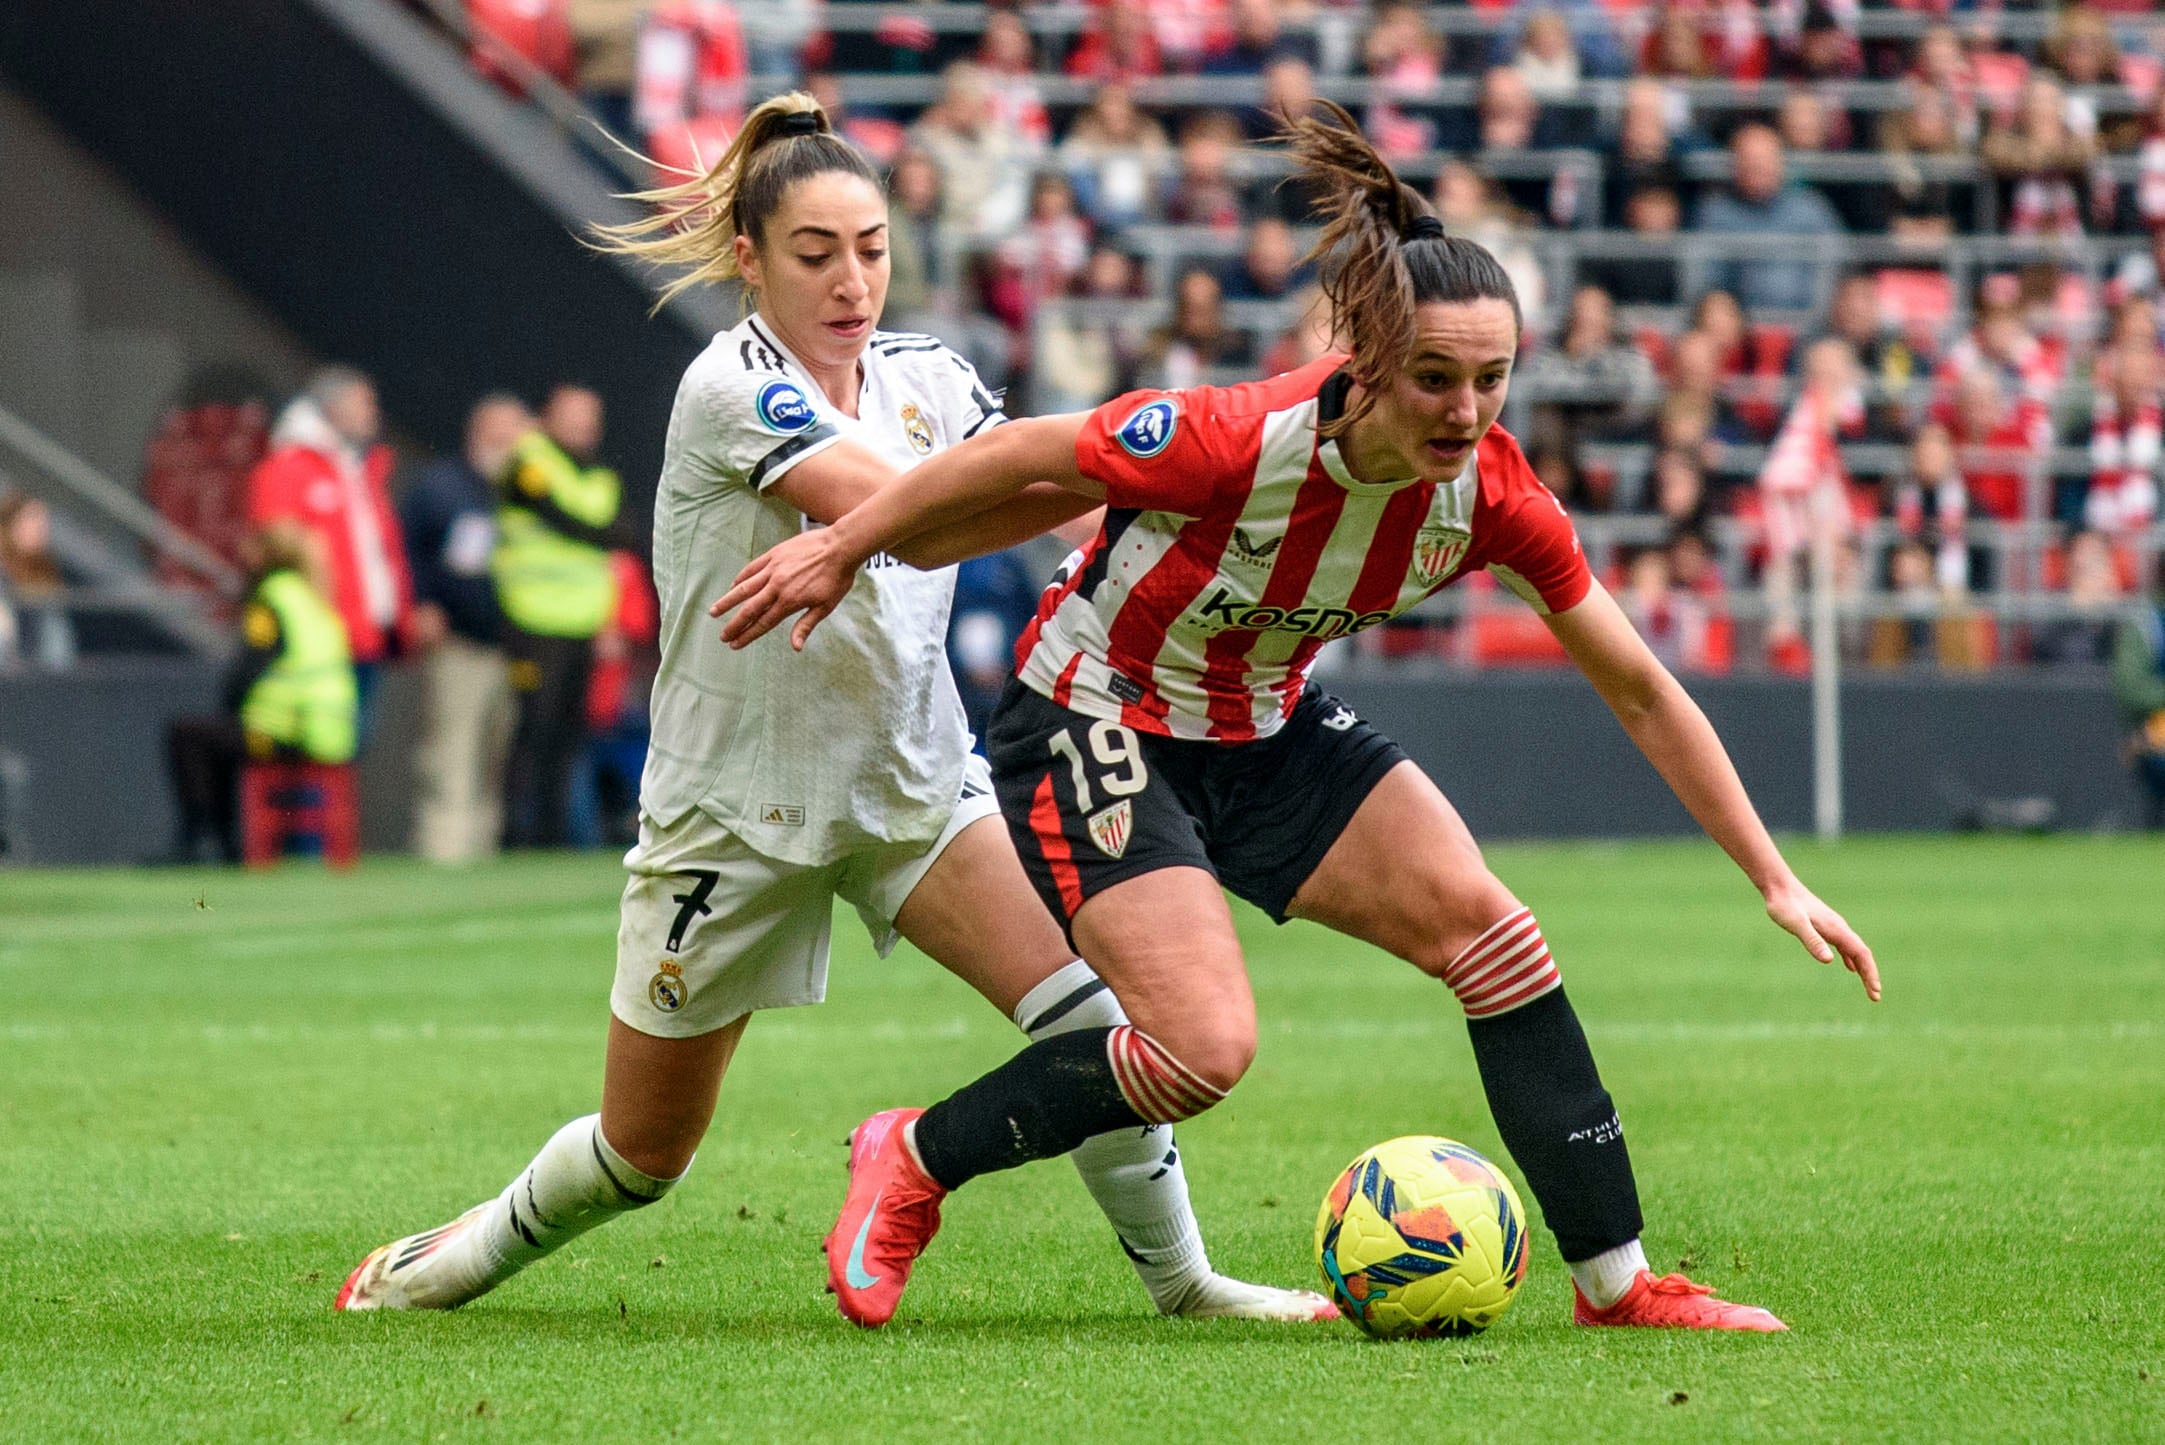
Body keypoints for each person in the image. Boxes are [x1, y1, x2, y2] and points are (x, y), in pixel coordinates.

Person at [718, 101, 1881, 1334]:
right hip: (1091, 713)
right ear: (1370, 364)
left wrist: (1771, 875)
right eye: (1435, 378)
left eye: (1492, 380)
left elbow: (1641, 687)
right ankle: (913, 1153)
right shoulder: (1231, 439)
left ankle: (1617, 1284)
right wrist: (846, 543)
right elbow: (1027, 458)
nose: (1464, 411)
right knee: (1199, 1047)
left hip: (1261, 725)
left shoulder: (1492, 497)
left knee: (1497, 941)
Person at [334, 93, 1331, 1327]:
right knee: (643, 1156)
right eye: (814, 253)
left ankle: (1186, 1282)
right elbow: (914, 513)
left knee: (1098, 1022)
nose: (850, 279)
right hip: (730, 809)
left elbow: (1044, 487)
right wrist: (1126, 463)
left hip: (914, 788)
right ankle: (446, 1261)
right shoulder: (730, 386)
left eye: (869, 248)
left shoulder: (930, 375)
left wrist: (1173, 498)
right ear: (749, 259)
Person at [165, 522, 358, 863]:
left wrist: (232, 705)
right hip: (332, 731)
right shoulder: (314, 596)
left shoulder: (271, 596)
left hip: (286, 729)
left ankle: (205, 839)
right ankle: (220, 841)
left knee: (188, 735)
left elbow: (253, 663)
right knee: (217, 738)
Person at [247, 366, 414, 739]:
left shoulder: (359, 470)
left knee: (353, 740)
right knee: (319, 747)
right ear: (333, 406)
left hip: (366, 636)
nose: (373, 412)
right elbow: (275, 545)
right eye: (363, 402)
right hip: (315, 644)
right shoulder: (291, 467)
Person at [400, 394, 530, 864]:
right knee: (450, 749)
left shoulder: (523, 490)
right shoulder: (443, 487)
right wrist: (420, 604)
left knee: (496, 755)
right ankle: (444, 850)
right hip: (459, 641)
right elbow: (408, 548)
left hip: (512, 644)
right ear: (481, 430)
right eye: (507, 430)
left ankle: (481, 849)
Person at [494, 383, 622, 850]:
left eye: (590, 416)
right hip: (532, 620)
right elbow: (571, 522)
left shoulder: (598, 475)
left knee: (568, 737)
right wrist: (615, 535)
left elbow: (611, 539)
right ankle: (513, 836)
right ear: (546, 416)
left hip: (582, 623)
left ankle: (549, 838)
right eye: (572, 415)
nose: (583, 426)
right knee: (531, 731)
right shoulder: (527, 460)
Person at [1689, 125, 1846, 314]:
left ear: (1781, 161)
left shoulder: (1811, 209)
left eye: (1764, 159)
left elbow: (1835, 270)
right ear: (1734, 164)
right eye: (1748, 159)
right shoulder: (1716, 214)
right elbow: (1704, 280)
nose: (1757, 166)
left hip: (1809, 326)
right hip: (1736, 330)